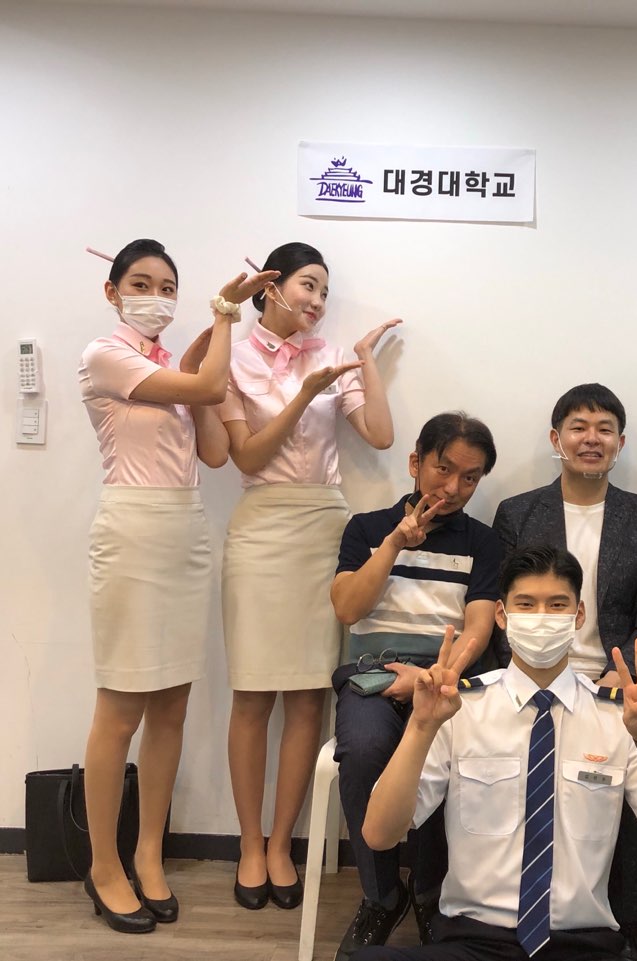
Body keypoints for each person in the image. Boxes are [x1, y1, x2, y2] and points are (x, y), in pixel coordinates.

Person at [354, 544, 637, 961]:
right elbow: (379, 834)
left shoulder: (617, 717)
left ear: (579, 616)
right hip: (473, 941)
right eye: (526, 604)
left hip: (583, 945)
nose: (542, 617)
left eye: (557, 605)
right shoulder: (459, 708)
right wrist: (420, 726)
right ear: (502, 615)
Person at [78, 238, 274, 933]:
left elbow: (215, 452)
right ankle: (105, 865)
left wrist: (199, 355)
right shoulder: (106, 354)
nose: (155, 297)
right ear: (112, 292)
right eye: (141, 283)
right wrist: (224, 315)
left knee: (171, 706)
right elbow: (208, 386)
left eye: (167, 287)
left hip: (186, 532)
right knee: (120, 708)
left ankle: (148, 852)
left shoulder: (167, 365)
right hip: (132, 531)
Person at [218, 241, 401, 912]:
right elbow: (245, 455)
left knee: (304, 698)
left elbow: (380, 435)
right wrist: (304, 396)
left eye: (324, 290)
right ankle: (248, 843)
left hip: (323, 524)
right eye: (307, 285)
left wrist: (365, 360)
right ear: (270, 286)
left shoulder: (331, 355)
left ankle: (280, 845)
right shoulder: (233, 357)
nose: (317, 301)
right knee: (250, 695)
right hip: (260, 524)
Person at [492, 383, 637, 960]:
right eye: (578, 427)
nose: (591, 439)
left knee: (632, 748)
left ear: (620, 442)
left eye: (604, 429)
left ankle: (628, 916)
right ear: (556, 438)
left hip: (614, 677)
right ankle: (508, 908)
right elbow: (506, 609)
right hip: (539, 673)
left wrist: (623, 672)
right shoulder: (518, 513)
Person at [330, 412, 503, 959]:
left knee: (448, 757)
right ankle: (382, 896)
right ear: (415, 462)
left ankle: (431, 892)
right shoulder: (365, 529)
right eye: (442, 469)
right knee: (365, 749)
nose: (452, 488)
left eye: (470, 478)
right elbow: (347, 608)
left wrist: (436, 676)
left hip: (446, 679)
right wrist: (393, 546)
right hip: (373, 674)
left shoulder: (483, 542)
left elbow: (478, 628)